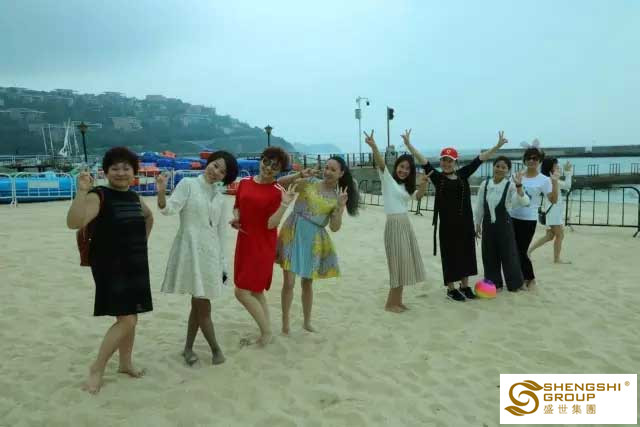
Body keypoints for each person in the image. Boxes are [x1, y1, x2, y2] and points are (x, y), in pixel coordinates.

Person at [66, 147, 154, 394]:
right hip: (110, 266)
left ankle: (125, 363)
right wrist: (81, 192)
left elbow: (149, 217)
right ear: (106, 172)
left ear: (134, 172)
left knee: (130, 315)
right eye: (115, 168)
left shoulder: (134, 197)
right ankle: (97, 368)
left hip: (135, 263)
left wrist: (141, 243)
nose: (121, 172)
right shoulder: (99, 195)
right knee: (128, 319)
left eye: (126, 168)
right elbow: (74, 223)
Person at [156, 151, 239, 366]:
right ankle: (216, 350)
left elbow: (220, 233)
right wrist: (161, 192)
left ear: (225, 177)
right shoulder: (188, 184)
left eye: (222, 171)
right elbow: (168, 209)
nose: (216, 171)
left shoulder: (220, 198)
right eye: (215, 165)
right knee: (203, 304)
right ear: (208, 163)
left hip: (210, 254)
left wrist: (222, 264)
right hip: (190, 250)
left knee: (198, 303)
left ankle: (188, 349)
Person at [419, 131, 509, 301]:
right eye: (444, 160)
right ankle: (451, 289)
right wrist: (408, 145)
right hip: (447, 226)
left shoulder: (463, 174)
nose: (446, 163)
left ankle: (465, 286)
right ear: (441, 161)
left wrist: (497, 146)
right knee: (450, 255)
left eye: (450, 160)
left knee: (467, 254)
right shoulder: (437, 178)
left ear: (455, 162)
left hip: (466, 223)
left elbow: (480, 159)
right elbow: (423, 161)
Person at [275, 156, 358, 332]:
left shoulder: (337, 196)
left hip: (313, 239)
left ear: (341, 173)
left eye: (333, 170)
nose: (328, 172)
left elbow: (334, 227)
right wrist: (299, 174)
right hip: (293, 231)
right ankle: (285, 322)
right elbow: (280, 183)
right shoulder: (310, 182)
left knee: (307, 283)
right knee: (289, 282)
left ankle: (307, 322)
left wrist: (340, 207)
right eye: (326, 167)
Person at [231, 146, 296, 347]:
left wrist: (285, 205)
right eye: (266, 162)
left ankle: (266, 333)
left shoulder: (278, 192)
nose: (268, 168)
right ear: (260, 160)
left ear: (280, 170)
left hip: (262, 246)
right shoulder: (244, 182)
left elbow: (271, 224)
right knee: (256, 291)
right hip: (244, 242)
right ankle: (267, 329)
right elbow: (237, 206)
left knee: (241, 292)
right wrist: (236, 219)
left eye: (275, 166)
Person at [363, 129, 429, 312]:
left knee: (403, 263)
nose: (404, 171)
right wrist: (374, 146)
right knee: (396, 264)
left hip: (405, 225)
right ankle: (390, 304)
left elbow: (418, 196)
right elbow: (381, 163)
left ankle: (397, 301)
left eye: (407, 169)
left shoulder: (405, 187)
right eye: (401, 167)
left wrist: (424, 184)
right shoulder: (388, 180)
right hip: (393, 225)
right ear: (396, 166)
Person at [474, 156, 530, 291]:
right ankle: (494, 283)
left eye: (503, 167)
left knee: (509, 254)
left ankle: (515, 284)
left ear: (508, 171)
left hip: (504, 224)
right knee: (489, 254)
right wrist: (477, 223)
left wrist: (519, 186)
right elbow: (479, 206)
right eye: (497, 166)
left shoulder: (510, 185)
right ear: (493, 167)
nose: (499, 169)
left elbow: (525, 202)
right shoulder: (485, 184)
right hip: (488, 224)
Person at [509, 147, 560, 290]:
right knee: (512, 250)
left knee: (522, 250)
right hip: (512, 217)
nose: (531, 161)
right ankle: (519, 278)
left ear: (539, 161)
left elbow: (554, 200)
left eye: (535, 158)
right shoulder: (517, 175)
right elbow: (509, 195)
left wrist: (555, 182)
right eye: (529, 158)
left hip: (528, 220)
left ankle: (530, 279)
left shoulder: (544, 180)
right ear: (524, 160)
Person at [527, 159, 573, 263]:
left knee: (550, 236)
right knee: (560, 235)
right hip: (553, 212)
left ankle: (528, 251)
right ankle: (557, 259)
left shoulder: (548, 179)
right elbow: (567, 185)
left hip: (552, 211)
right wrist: (568, 173)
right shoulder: (550, 180)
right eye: (556, 166)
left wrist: (566, 172)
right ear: (550, 168)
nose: (558, 167)